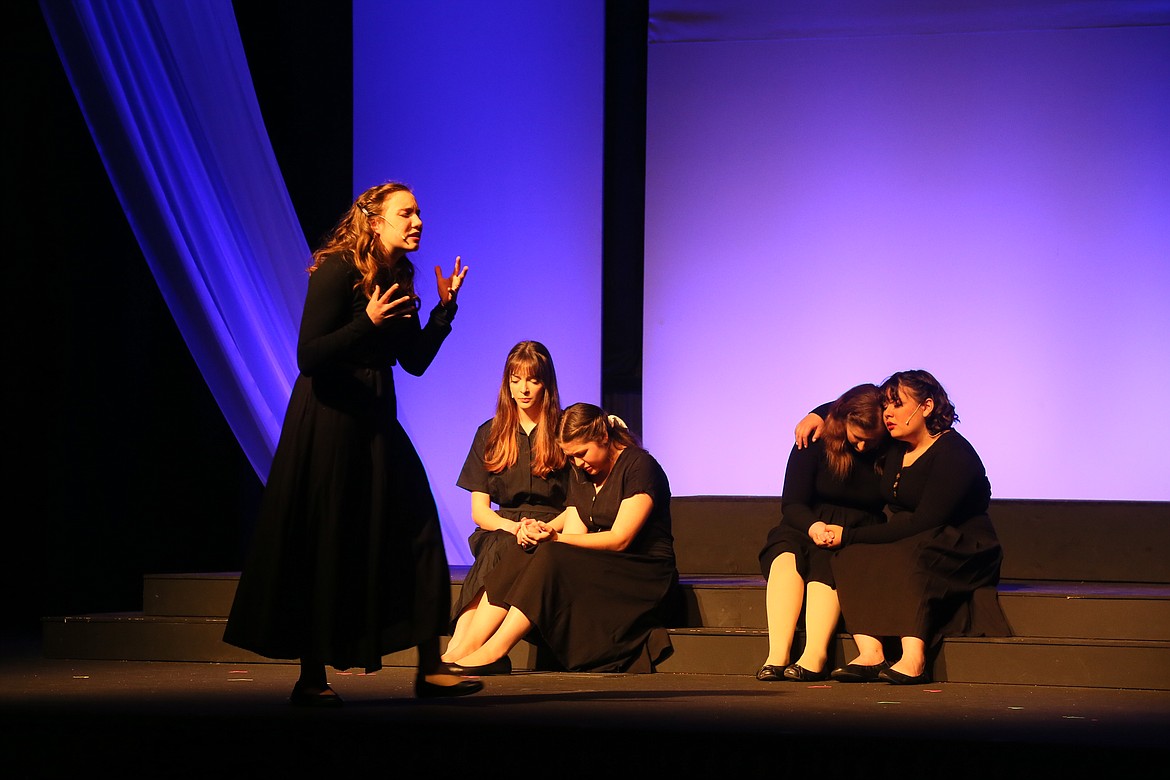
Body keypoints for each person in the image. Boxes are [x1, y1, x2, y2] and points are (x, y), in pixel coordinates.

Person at [223, 181, 482, 704]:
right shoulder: (337, 269)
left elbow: (413, 361)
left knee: (419, 529)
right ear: (375, 219)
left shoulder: (401, 275)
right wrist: (364, 322)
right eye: (406, 212)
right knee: (328, 538)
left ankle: (430, 668)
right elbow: (309, 356)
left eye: (418, 212)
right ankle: (311, 677)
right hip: (331, 417)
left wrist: (443, 312)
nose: (417, 222)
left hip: (375, 415)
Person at [446, 403, 679, 674]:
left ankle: (495, 650)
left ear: (603, 437)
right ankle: (470, 645)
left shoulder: (639, 465)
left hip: (642, 572)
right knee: (525, 549)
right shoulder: (583, 472)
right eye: (572, 457)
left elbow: (620, 539)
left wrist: (555, 539)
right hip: (606, 564)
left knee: (550, 553)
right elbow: (575, 533)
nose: (578, 463)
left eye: (582, 454)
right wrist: (543, 535)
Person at [819, 370, 1011, 685]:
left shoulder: (954, 453)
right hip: (912, 535)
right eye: (886, 406)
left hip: (962, 543)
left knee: (910, 556)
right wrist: (816, 415)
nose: (888, 413)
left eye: (896, 405)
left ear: (926, 406)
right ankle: (871, 652)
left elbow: (926, 521)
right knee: (849, 557)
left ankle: (914, 657)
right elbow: (853, 407)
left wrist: (850, 534)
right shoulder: (897, 447)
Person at [441, 340, 570, 671]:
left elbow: (578, 506)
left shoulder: (562, 431)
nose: (524, 389)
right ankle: (463, 648)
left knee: (510, 548)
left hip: (551, 528)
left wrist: (540, 529)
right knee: (501, 543)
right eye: (516, 380)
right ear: (507, 384)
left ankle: (462, 649)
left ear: (546, 383)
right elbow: (480, 512)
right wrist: (515, 527)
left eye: (533, 380)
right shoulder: (491, 433)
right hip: (501, 527)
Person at [756, 384, 888, 683]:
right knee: (785, 555)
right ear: (843, 423)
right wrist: (813, 526)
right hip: (807, 521)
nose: (864, 447)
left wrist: (819, 411)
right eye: (857, 438)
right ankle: (777, 655)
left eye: (872, 441)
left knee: (827, 562)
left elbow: (876, 398)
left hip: (858, 528)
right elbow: (792, 503)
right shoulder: (816, 439)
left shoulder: (888, 447)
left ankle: (815, 655)